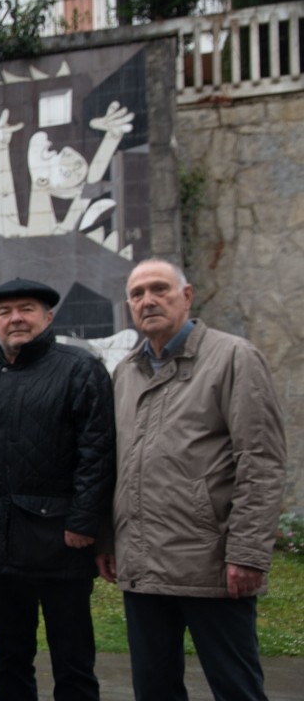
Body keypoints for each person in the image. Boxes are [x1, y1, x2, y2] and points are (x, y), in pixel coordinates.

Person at [96, 259, 286, 701]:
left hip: (212, 565)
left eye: (159, 289)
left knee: (236, 689)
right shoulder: (126, 372)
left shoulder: (234, 358)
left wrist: (248, 553)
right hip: (142, 566)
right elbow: (116, 464)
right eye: (137, 294)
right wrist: (108, 538)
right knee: (153, 689)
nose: (148, 301)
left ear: (186, 296)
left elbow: (260, 460)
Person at [0, 278, 115, 701]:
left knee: (73, 660)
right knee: (11, 658)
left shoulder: (80, 368)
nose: (15, 318)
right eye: (4, 312)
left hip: (61, 542)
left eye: (26, 309)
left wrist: (83, 522)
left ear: (48, 318)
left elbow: (98, 451)